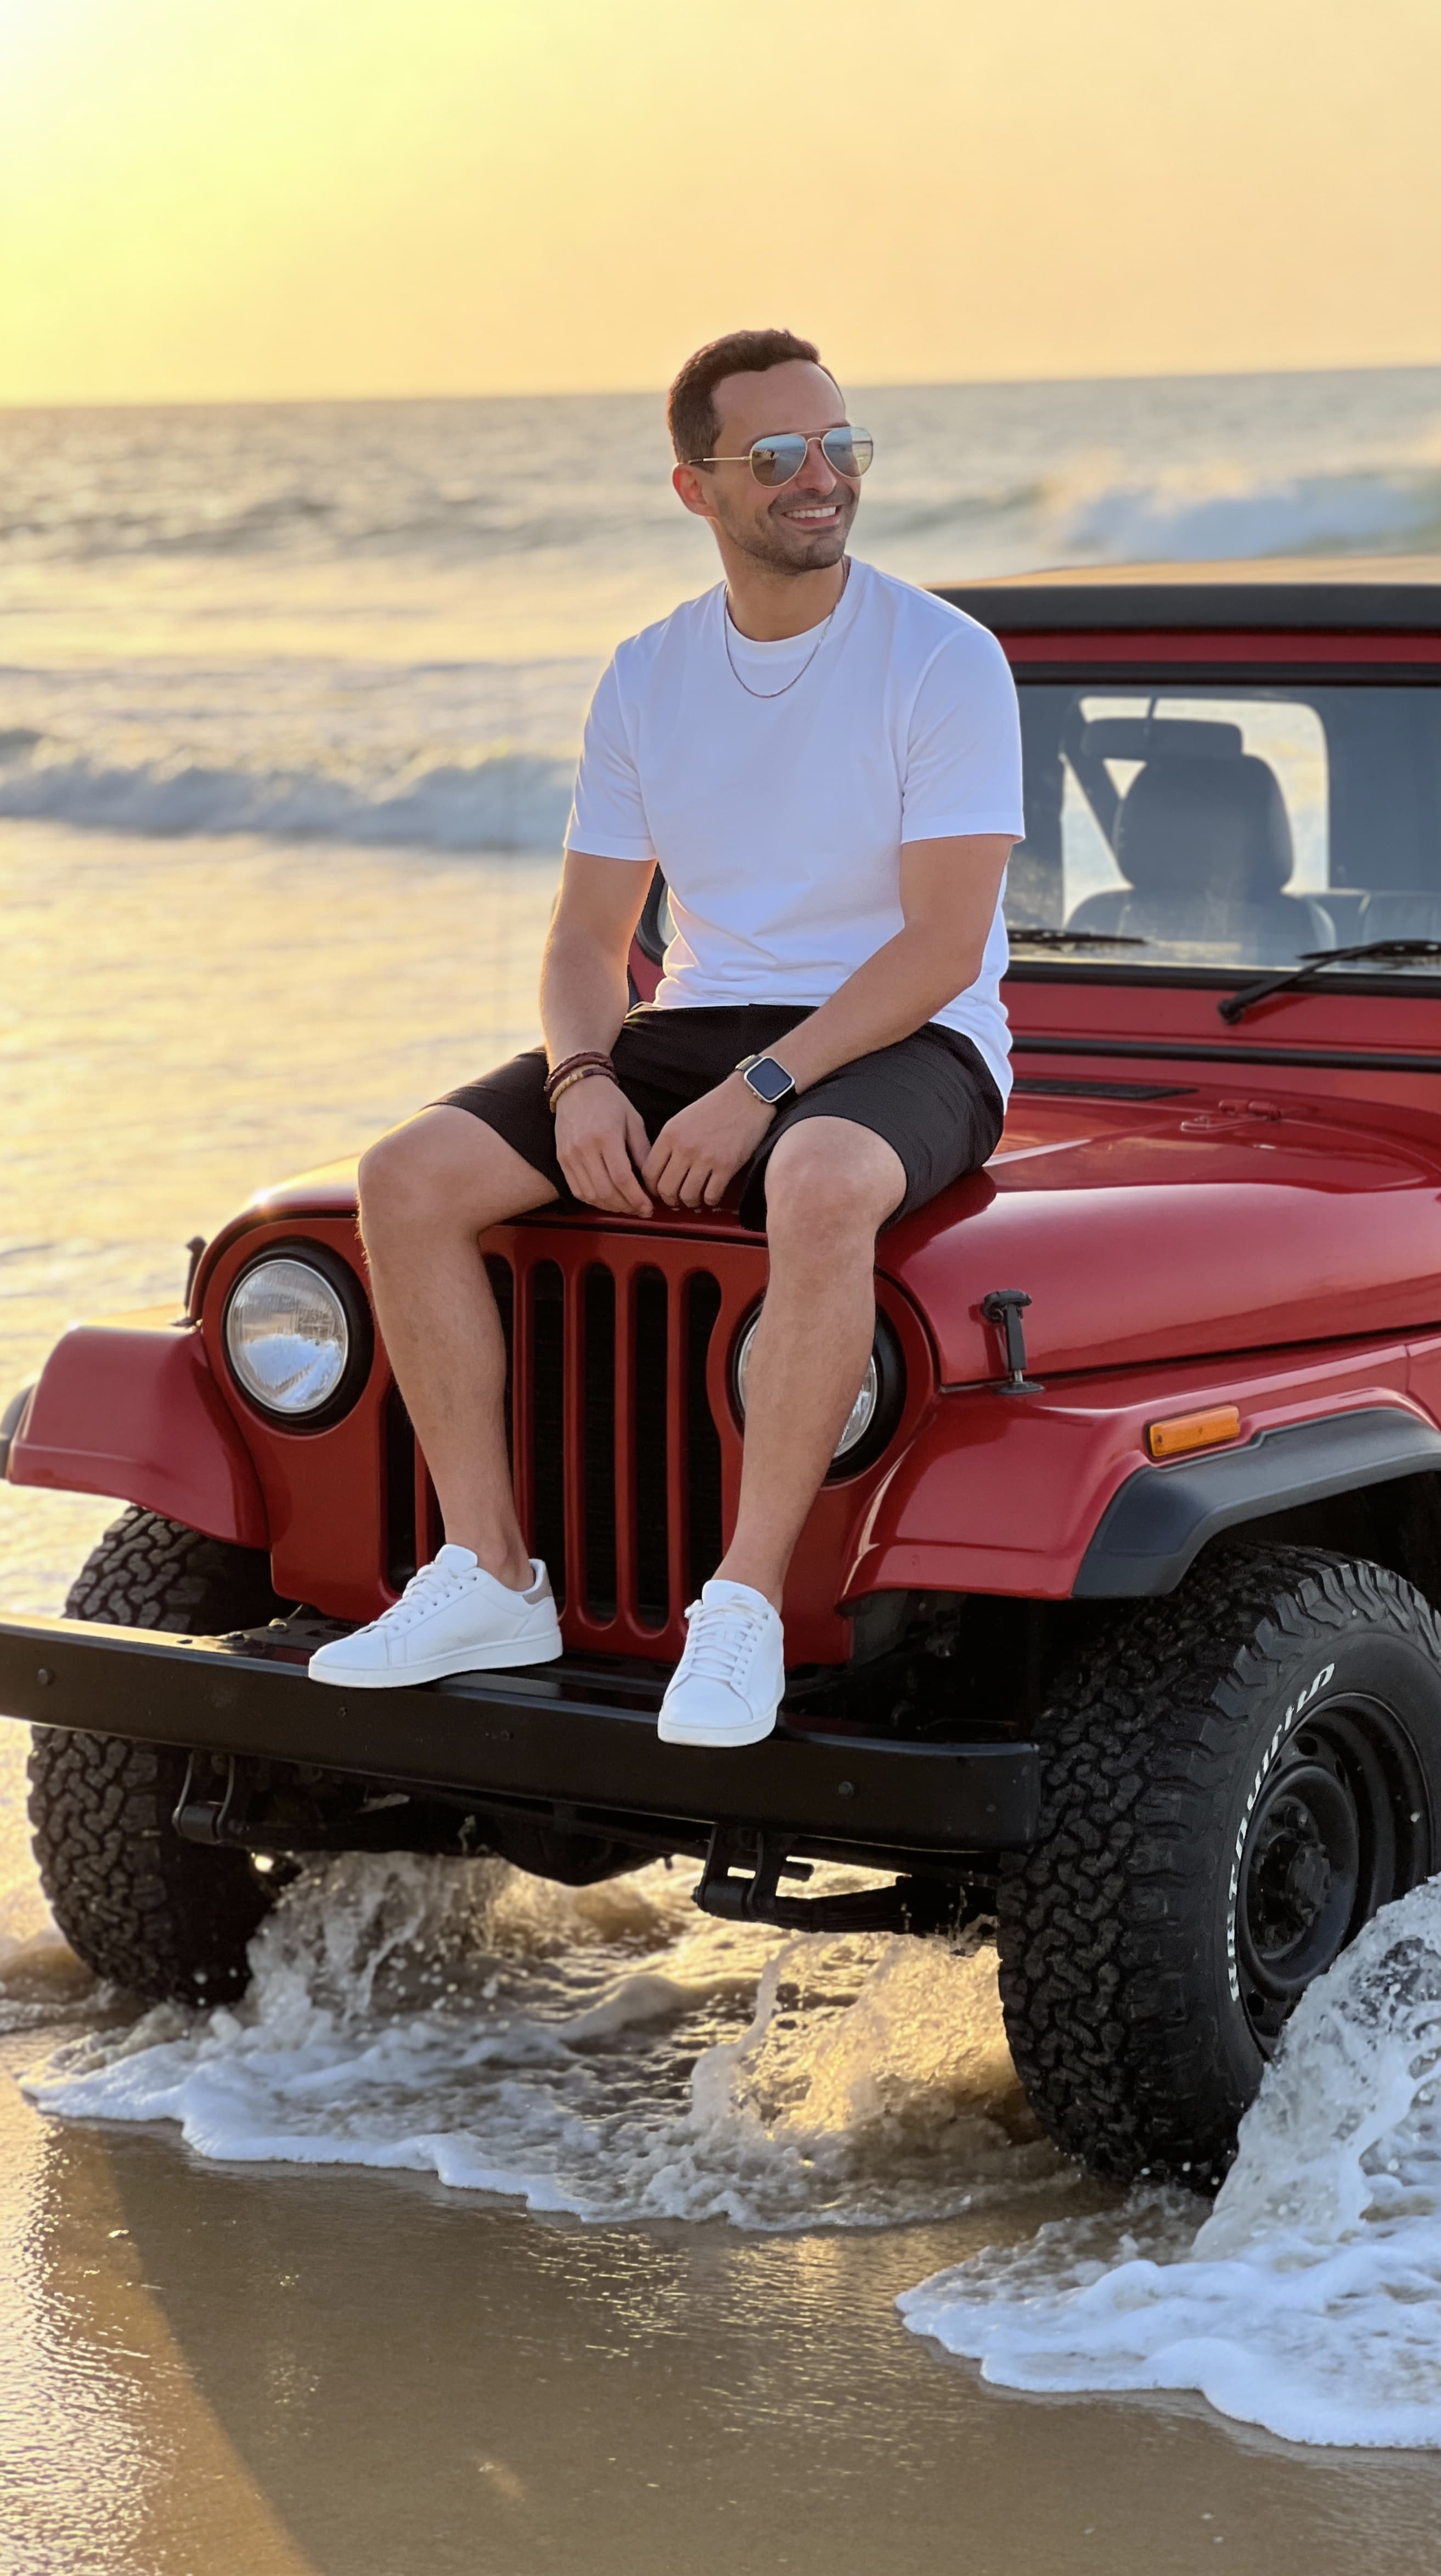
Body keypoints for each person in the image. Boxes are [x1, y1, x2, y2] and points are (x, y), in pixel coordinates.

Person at [307, 328, 1023, 1748]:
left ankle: (743, 1606)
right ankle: (490, 1572)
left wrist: (762, 1088)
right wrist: (583, 1079)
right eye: (779, 455)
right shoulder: (649, 674)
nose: (821, 479)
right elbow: (587, 940)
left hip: (917, 1033)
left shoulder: (944, 659)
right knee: (407, 1179)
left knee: (820, 1177)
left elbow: (943, 945)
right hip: (695, 1021)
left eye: (841, 447)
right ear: (697, 488)